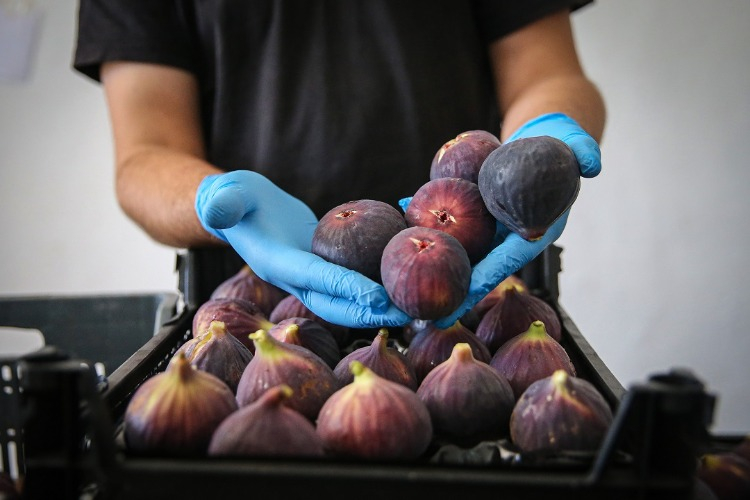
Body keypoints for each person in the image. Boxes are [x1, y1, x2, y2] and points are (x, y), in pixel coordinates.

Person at [74, 0, 604, 330]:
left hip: (475, 290)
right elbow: (145, 155)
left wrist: (542, 146)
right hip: (257, 304)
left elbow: (546, 74)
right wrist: (215, 201)